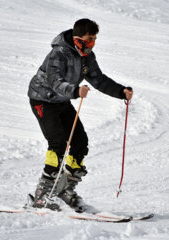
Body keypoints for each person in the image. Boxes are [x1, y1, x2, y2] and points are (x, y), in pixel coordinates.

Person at [27, 18, 133, 212]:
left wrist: (120, 91)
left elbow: (98, 79)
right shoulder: (58, 54)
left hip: (61, 101)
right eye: (89, 40)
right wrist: (75, 91)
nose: (92, 44)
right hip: (43, 100)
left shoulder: (87, 56)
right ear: (77, 39)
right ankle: (42, 196)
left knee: (80, 142)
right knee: (58, 143)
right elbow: (54, 81)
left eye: (94, 40)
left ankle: (64, 191)